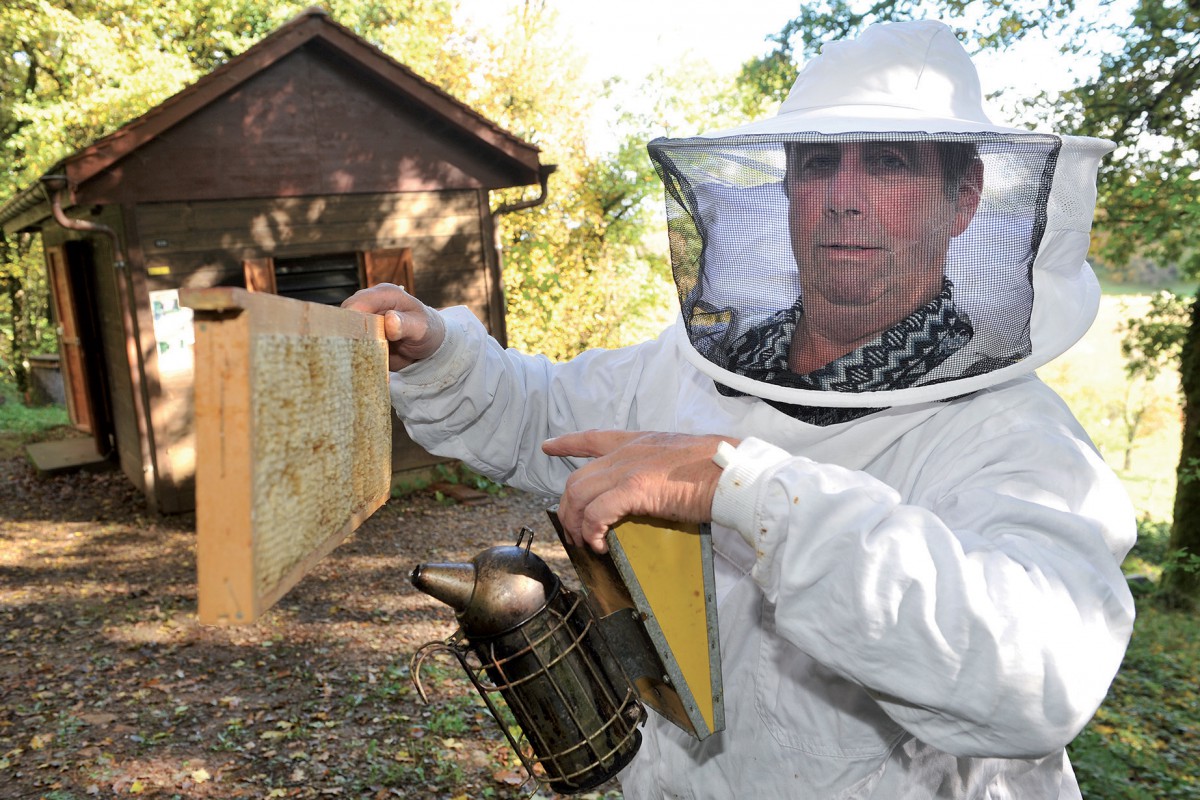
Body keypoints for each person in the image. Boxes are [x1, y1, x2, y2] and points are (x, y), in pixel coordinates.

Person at [345, 20, 1135, 799]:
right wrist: (441, 353)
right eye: (819, 164)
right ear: (789, 188)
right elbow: (544, 415)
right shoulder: (698, 365)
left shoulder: (1014, 434)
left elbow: (1041, 672)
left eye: (890, 164)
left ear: (962, 200)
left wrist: (755, 499)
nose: (843, 200)